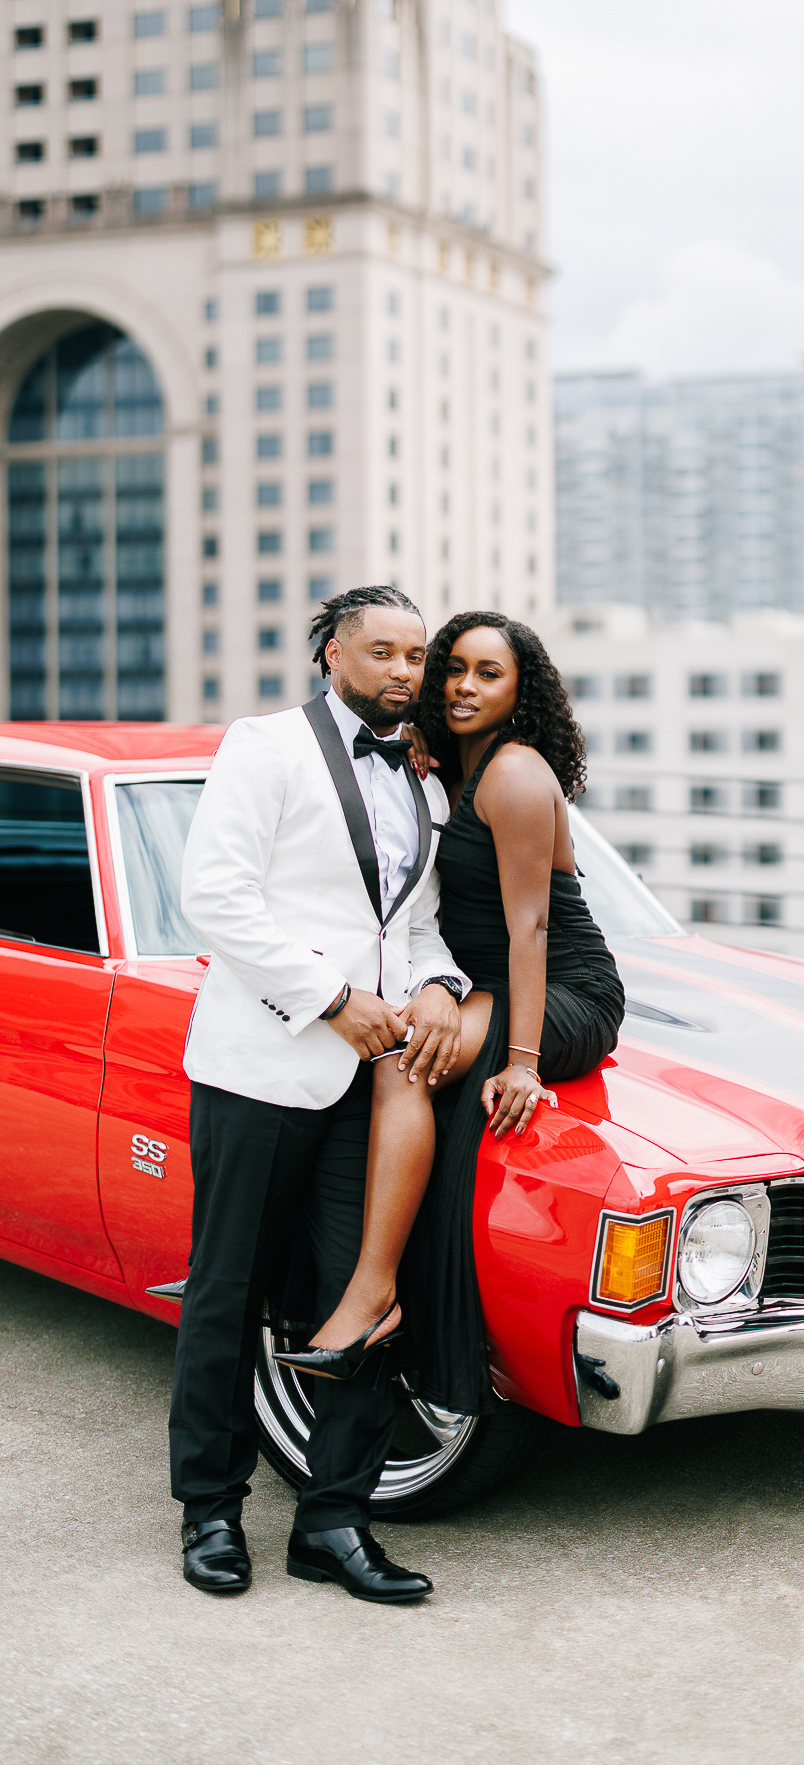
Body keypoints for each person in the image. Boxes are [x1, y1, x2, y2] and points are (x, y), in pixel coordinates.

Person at [170, 586, 468, 1604]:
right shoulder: (265, 746)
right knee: (229, 1289)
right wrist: (331, 997)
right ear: (331, 651)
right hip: (264, 1062)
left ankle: (334, 1518)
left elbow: (413, 924)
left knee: (363, 1297)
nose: (402, 671)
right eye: (381, 651)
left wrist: (437, 983)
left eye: (416, 655)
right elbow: (213, 895)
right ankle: (209, 1508)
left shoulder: (423, 784)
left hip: (379, 1084)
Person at [312, 610, 625, 1418]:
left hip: (564, 989)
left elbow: (533, 928)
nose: (462, 685)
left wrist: (521, 1061)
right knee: (406, 1044)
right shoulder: (449, 763)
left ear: (520, 692)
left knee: (401, 1061)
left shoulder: (515, 772)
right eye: (453, 668)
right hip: (483, 981)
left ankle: (374, 1293)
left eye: (488, 673)